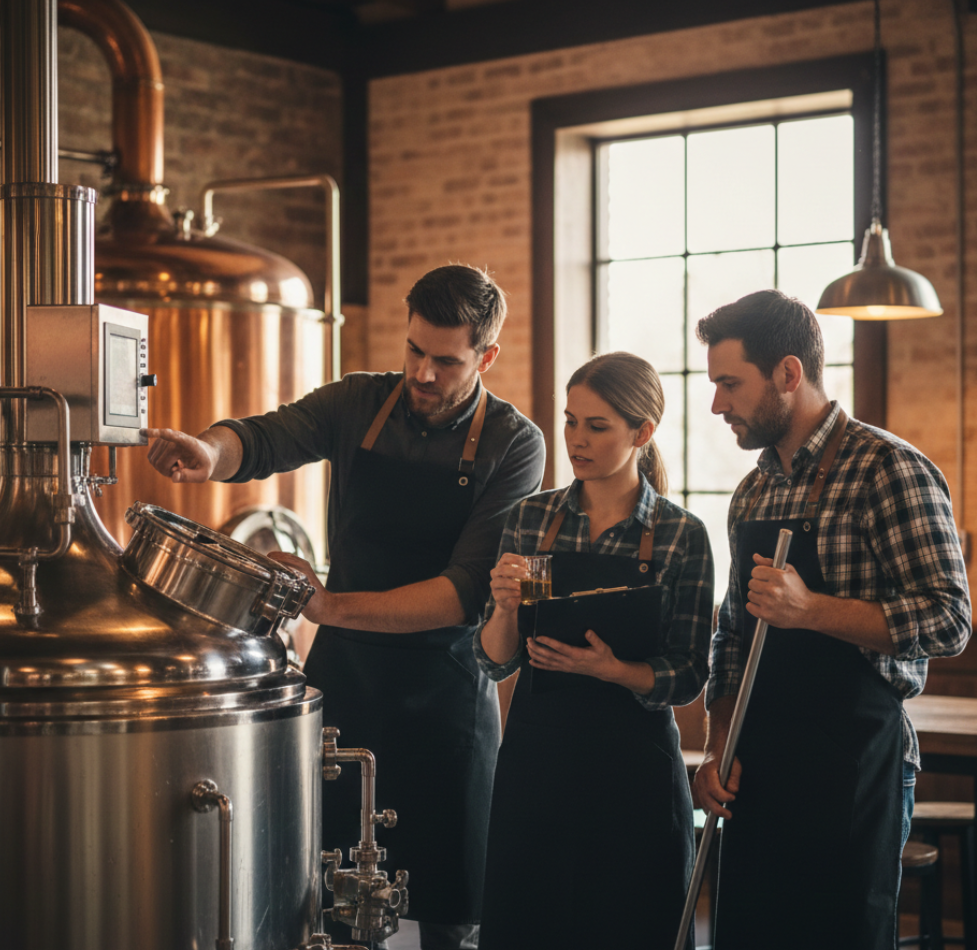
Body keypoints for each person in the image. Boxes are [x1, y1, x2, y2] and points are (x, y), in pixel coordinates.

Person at [143, 265, 546, 950]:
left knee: (448, 912)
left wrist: (326, 604)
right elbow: (269, 436)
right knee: (326, 894)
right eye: (414, 350)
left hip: (445, 699)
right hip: (346, 690)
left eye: (444, 361)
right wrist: (209, 451)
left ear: (487, 357)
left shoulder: (515, 442)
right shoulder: (361, 402)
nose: (421, 373)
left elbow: (461, 592)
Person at [691, 290, 971, 950]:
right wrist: (716, 747)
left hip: (856, 762)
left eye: (730, 384)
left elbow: (949, 619)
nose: (716, 405)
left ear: (788, 375)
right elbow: (733, 636)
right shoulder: (753, 490)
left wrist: (810, 610)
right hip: (759, 766)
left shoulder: (888, 469)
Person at [473, 351, 714, 950]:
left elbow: (687, 674)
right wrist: (504, 607)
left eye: (597, 426)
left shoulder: (682, 535)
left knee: (633, 926)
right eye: (570, 421)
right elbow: (493, 659)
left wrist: (612, 669)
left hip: (635, 776)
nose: (576, 440)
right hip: (539, 766)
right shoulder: (532, 519)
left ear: (643, 432)